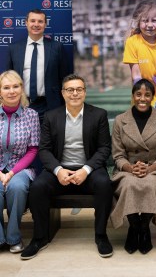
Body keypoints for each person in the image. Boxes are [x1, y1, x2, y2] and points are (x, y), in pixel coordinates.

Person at [21, 74, 113, 260]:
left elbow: (104, 149)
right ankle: (39, 237)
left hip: (88, 169)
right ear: (63, 93)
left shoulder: (99, 115)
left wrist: (85, 170)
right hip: (59, 170)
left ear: (85, 93)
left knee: (104, 184)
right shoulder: (51, 116)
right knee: (37, 187)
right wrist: (58, 170)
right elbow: (44, 150)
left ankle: (101, 236)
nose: (74, 94)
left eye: (79, 89)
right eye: (70, 90)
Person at [110, 78, 156, 254]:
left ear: (153, 97)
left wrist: (149, 169)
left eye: (147, 95)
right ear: (133, 96)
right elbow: (118, 155)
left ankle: (144, 227)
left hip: (155, 170)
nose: (142, 98)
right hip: (126, 170)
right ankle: (133, 226)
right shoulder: (120, 120)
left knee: (149, 184)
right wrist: (131, 168)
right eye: (138, 94)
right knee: (130, 184)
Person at [0, 70, 40, 254]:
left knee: (16, 187)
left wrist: (11, 173)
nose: (11, 91)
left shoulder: (31, 115)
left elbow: (33, 149)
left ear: (21, 89)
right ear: (0, 91)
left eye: (15, 86)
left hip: (21, 169)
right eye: (6, 87)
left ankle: (14, 238)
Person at [6, 9, 68, 123]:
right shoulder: (14, 48)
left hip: (50, 106)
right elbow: (8, 79)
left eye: (40, 21)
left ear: (45, 24)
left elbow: (64, 78)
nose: (36, 24)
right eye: (32, 21)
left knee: (49, 141)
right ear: (26, 23)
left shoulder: (57, 47)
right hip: (21, 106)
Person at [123, 0, 156, 115]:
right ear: (138, 21)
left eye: (155, 20)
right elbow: (136, 74)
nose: (150, 25)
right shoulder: (132, 42)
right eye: (145, 21)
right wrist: (143, 96)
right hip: (141, 92)